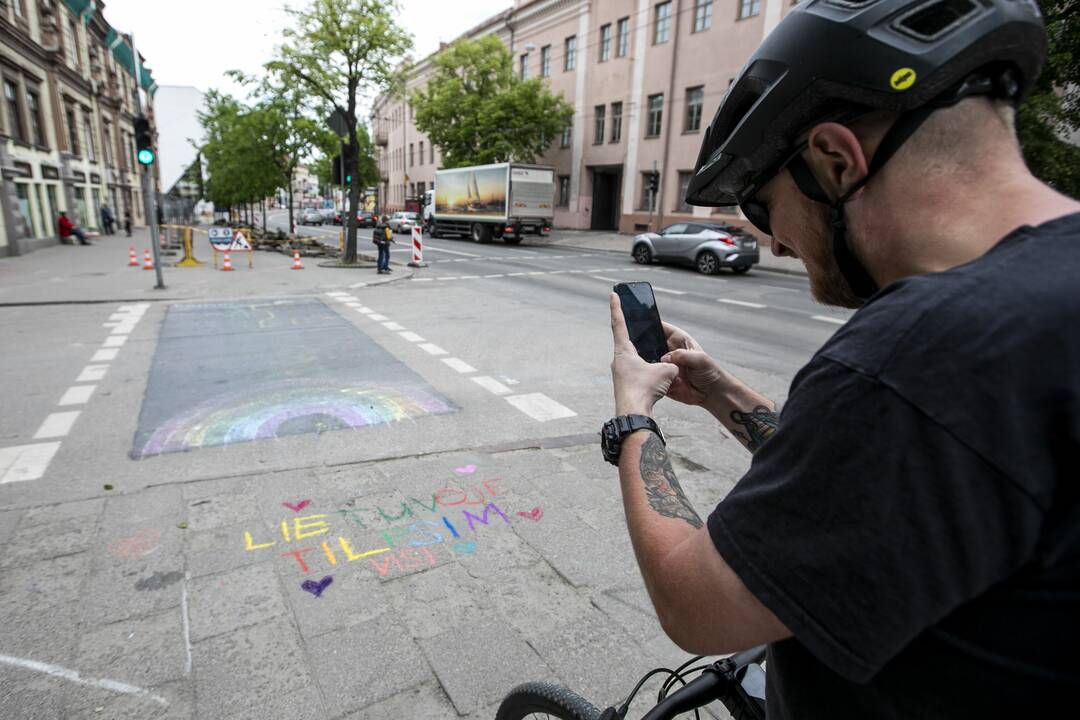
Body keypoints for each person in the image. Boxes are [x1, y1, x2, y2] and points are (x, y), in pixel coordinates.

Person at [605, 1, 1078, 717]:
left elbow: (695, 604)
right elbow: (901, 481)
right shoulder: (1042, 296)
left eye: (762, 207)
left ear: (834, 160)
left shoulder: (920, 355)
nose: (774, 246)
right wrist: (724, 392)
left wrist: (632, 417)